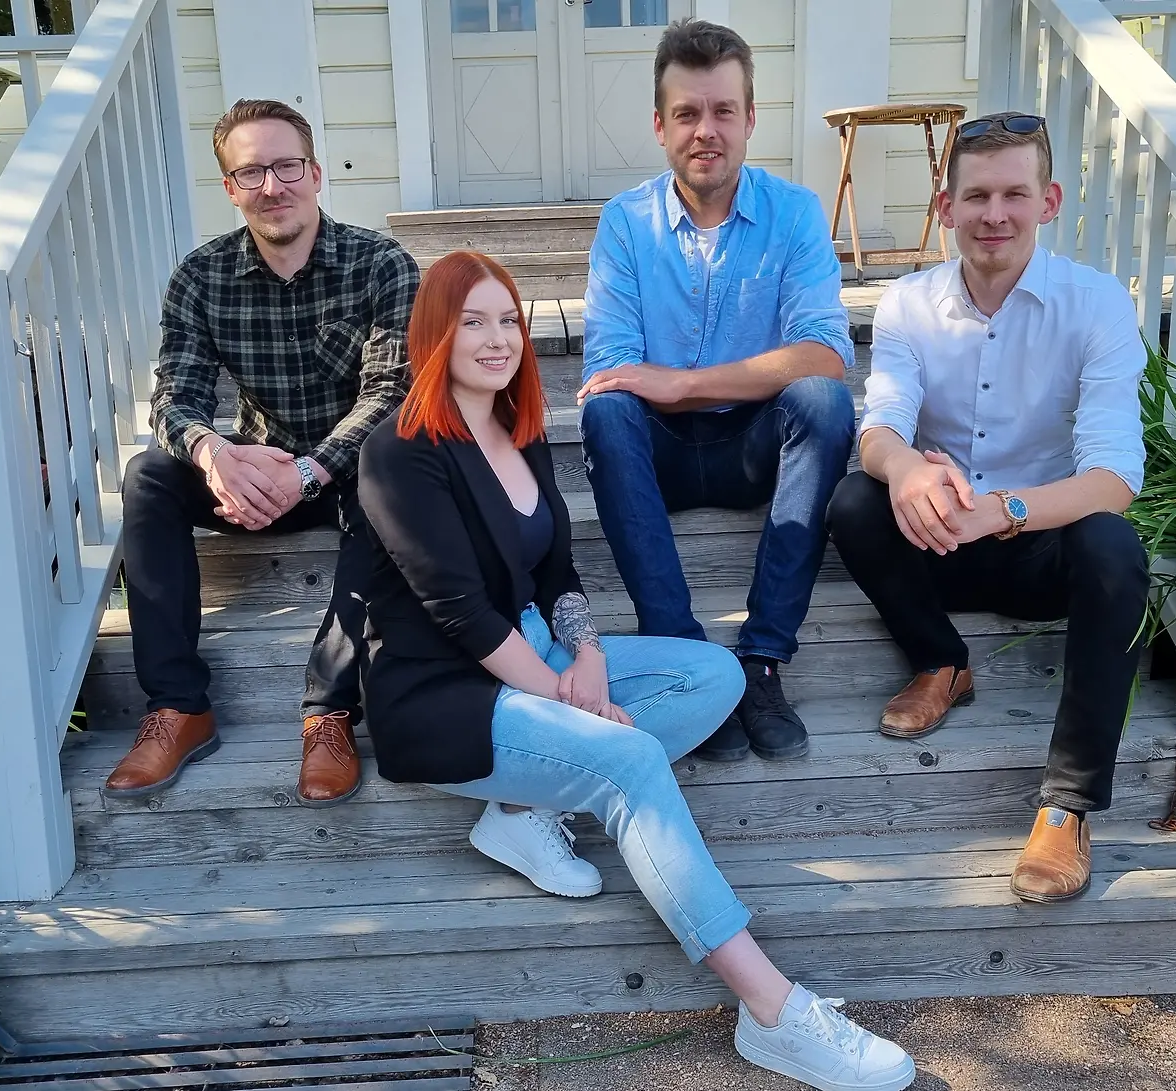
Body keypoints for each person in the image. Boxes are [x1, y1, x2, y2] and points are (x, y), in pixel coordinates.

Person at [358, 251, 916, 1091]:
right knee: (631, 760)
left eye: (508, 320)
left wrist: (585, 653)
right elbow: (460, 613)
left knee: (715, 676)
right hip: (445, 692)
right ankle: (772, 1010)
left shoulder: (516, 430)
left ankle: (520, 808)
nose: (497, 338)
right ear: (434, 334)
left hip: (538, 652)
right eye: (472, 322)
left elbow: (556, 571)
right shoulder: (397, 452)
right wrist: (570, 702)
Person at [825, 112, 1151, 904]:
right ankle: (942, 661)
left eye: (1013, 194)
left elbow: (1114, 477)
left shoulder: (1096, 304)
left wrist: (1005, 508)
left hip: (1040, 544)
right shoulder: (907, 303)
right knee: (857, 501)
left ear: (1049, 201)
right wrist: (908, 468)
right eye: (976, 196)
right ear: (946, 207)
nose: (994, 215)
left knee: (1115, 549)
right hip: (939, 538)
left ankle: (1066, 807)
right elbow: (881, 427)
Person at [104, 99, 420, 807]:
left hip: (350, 472)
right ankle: (178, 706)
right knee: (149, 474)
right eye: (251, 172)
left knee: (395, 470)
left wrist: (312, 470)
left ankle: (329, 711)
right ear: (230, 187)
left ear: (315, 173)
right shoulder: (201, 276)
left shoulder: (381, 264)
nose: (272, 186)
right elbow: (174, 396)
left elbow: (392, 391)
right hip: (256, 473)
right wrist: (215, 455)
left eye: (286, 167)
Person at [577, 19, 857, 765]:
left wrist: (685, 381)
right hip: (659, 456)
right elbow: (611, 368)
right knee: (606, 410)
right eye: (687, 113)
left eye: (723, 110)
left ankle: (761, 661)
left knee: (825, 403)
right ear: (660, 126)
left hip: (751, 449)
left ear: (750, 118)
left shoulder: (793, 212)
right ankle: (685, 657)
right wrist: (668, 387)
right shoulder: (625, 223)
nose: (706, 130)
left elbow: (826, 355)